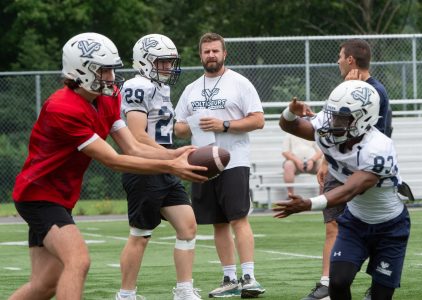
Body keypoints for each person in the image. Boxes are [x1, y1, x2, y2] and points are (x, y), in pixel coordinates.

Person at [9, 32, 207, 300]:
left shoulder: (108, 97)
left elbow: (133, 147)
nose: (111, 78)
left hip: (59, 196)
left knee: (44, 285)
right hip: (39, 196)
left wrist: (173, 156)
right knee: (78, 261)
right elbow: (113, 160)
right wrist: (172, 167)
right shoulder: (62, 107)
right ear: (80, 70)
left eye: (111, 70)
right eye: (103, 70)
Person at [274, 80, 410, 300]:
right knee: (337, 282)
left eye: (342, 117)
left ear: (363, 117)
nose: (333, 121)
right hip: (355, 222)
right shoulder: (331, 128)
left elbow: (349, 190)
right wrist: (291, 111)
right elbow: (289, 126)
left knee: (380, 296)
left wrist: (309, 203)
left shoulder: (379, 147)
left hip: (390, 226)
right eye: (333, 114)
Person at [174, 32, 266, 298]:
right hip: (203, 161)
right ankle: (229, 278)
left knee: (238, 217)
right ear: (200, 55)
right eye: (206, 51)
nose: (211, 55)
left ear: (224, 54)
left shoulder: (239, 83)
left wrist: (224, 124)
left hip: (234, 159)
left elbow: (258, 120)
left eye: (216, 51)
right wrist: (189, 125)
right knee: (218, 222)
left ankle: (249, 277)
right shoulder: (191, 89)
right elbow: (179, 127)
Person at [302, 38, 393, 300]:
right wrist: (324, 158)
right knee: (333, 224)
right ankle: (326, 284)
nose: (338, 61)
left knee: (372, 229)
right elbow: (332, 127)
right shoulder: (345, 89)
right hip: (336, 167)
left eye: (341, 56)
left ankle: (377, 285)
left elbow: (378, 138)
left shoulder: (376, 93)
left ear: (351, 60)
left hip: (361, 172)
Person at [114, 34, 201, 300]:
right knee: (141, 234)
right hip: (144, 168)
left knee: (188, 227)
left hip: (165, 165)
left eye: (171, 62)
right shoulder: (136, 85)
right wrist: (173, 156)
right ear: (145, 61)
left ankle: (184, 290)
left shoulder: (160, 87)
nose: (169, 68)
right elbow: (138, 135)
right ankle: (126, 294)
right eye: (163, 62)